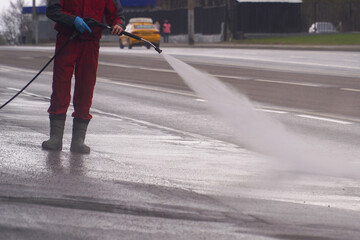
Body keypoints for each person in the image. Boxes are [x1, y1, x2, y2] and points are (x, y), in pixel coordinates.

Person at [43, 0, 125, 154]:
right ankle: (55, 138)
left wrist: (118, 24)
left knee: (85, 87)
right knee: (60, 85)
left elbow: (116, 14)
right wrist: (72, 20)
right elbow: (52, 10)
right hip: (67, 39)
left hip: (91, 42)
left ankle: (78, 141)